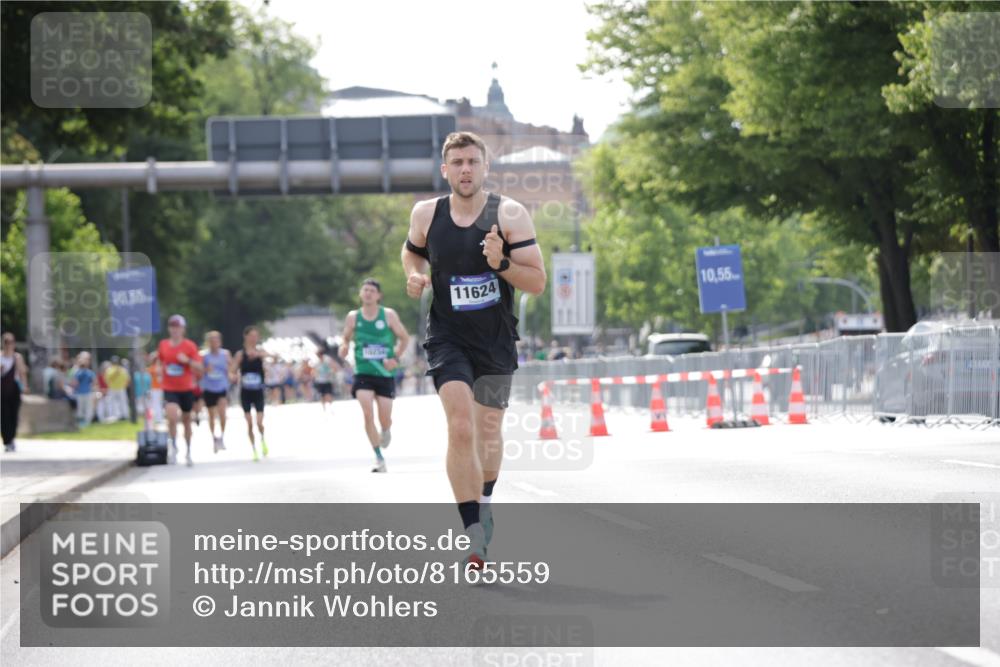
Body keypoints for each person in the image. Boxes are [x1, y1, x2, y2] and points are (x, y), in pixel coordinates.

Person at [401, 131, 545, 568]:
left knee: (487, 432)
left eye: (472, 162)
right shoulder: (426, 214)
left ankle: (484, 500)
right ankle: (472, 533)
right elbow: (411, 254)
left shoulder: (511, 214)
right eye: (457, 162)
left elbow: (536, 281)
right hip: (447, 336)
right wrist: (415, 275)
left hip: (496, 339)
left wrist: (501, 263)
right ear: (445, 170)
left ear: (485, 168)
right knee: (461, 426)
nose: (465, 169)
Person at [339, 279, 411, 473]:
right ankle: (379, 457)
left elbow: (404, 338)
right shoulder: (353, 317)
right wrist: (344, 346)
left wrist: (395, 357)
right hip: (363, 372)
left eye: (372, 291)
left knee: (384, 418)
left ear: (378, 295)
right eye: (365, 290)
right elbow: (345, 337)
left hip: (385, 372)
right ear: (361, 294)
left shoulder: (387, 315)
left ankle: (386, 429)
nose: (368, 293)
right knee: (367, 413)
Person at [149, 314, 203, 466]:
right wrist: (159, 370)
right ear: (169, 329)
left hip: (186, 387)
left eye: (178, 327)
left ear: (183, 329)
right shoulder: (164, 344)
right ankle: (173, 447)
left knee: (186, 420)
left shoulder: (190, 346)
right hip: (169, 387)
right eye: (172, 327)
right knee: (172, 417)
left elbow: (199, 366)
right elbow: (159, 359)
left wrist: (187, 361)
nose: (175, 330)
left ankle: (188, 451)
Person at [230, 325, 268, 461]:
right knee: (249, 422)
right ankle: (254, 449)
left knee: (259, 422)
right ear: (246, 337)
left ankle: (262, 439)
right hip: (245, 392)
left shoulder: (261, 352)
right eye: (251, 336)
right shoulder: (241, 354)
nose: (253, 338)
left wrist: (261, 356)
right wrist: (232, 376)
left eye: (256, 336)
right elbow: (232, 370)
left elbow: (272, 358)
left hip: (258, 391)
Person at [200, 331, 231, 453]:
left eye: (216, 340)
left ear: (220, 341)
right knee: (211, 415)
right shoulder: (204, 356)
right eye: (211, 340)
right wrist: (205, 369)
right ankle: (214, 438)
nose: (214, 343)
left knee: (222, 413)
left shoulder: (225, 354)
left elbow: (231, 367)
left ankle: (222, 436)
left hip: (222, 387)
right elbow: (199, 371)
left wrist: (232, 374)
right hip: (209, 388)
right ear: (208, 342)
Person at [1, 333, 29, 452]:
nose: (9, 345)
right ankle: (7, 441)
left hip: (14, 390)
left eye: (11, 342)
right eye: (6, 342)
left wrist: (25, 386)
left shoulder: (17, 357)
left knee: (14, 415)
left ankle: (11, 439)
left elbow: (22, 372)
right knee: (4, 416)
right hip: (2, 391)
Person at [71, 352, 97, 428]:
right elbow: (94, 382)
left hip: (79, 393)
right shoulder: (90, 372)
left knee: (81, 408)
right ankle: (87, 422)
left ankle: (81, 422)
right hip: (88, 392)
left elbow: (75, 383)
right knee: (88, 408)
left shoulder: (77, 373)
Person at [103, 356, 130, 422]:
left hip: (119, 388)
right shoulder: (110, 369)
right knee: (114, 403)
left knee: (122, 402)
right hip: (114, 388)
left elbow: (127, 379)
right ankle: (116, 416)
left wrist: (124, 386)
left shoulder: (121, 369)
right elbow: (107, 379)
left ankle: (124, 415)